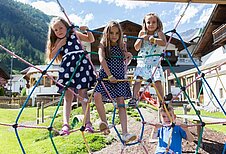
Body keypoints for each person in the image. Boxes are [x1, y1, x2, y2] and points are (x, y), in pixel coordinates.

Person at [46, 17, 96, 135]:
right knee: (68, 95)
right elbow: (51, 55)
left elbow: (90, 39)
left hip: (81, 64)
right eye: (56, 30)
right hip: (68, 67)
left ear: (66, 26)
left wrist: (87, 30)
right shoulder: (59, 41)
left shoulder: (74, 33)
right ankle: (65, 125)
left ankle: (87, 123)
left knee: (82, 94)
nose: (59, 31)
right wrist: (60, 45)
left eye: (61, 28)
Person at [94, 21, 136, 143]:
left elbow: (125, 59)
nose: (114, 35)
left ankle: (125, 133)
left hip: (118, 78)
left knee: (121, 103)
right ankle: (104, 123)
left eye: (117, 33)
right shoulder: (103, 44)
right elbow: (101, 59)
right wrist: (109, 75)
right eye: (111, 33)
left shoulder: (121, 45)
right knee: (97, 96)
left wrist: (128, 56)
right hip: (106, 77)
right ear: (107, 33)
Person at [130, 13, 167, 106]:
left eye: (153, 22)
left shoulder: (159, 33)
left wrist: (154, 39)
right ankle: (134, 98)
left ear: (158, 23)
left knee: (157, 81)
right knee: (138, 79)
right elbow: (136, 47)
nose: (151, 24)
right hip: (143, 61)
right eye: (148, 22)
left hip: (155, 62)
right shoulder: (142, 33)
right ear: (145, 24)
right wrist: (141, 39)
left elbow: (164, 43)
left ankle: (161, 100)